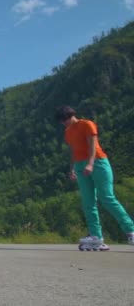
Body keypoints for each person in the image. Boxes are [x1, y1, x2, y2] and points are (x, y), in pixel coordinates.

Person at [55, 106, 134, 250]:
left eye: (64, 119)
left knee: (107, 198)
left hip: (97, 162)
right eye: (61, 121)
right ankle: (96, 236)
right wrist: (72, 169)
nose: (63, 123)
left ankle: (131, 231)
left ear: (71, 115)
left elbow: (93, 145)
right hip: (79, 166)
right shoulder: (68, 132)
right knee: (88, 202)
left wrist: (90, 164)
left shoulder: (87, 124)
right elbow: (73, 151)